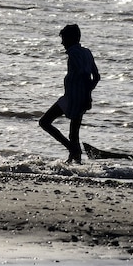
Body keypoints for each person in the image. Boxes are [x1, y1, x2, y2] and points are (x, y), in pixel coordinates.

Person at [39, 24, 100, 163]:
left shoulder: (74, 54)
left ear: (72, 38)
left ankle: (72, 149)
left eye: (64, 39)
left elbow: (84, 74)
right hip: (81, 99)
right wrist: (88, 94)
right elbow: (96, 77)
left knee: (44, 122)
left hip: (72, 98)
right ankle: (75, 161)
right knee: (74, 133)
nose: (62, 43)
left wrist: (85, 94)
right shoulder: (87, 52)